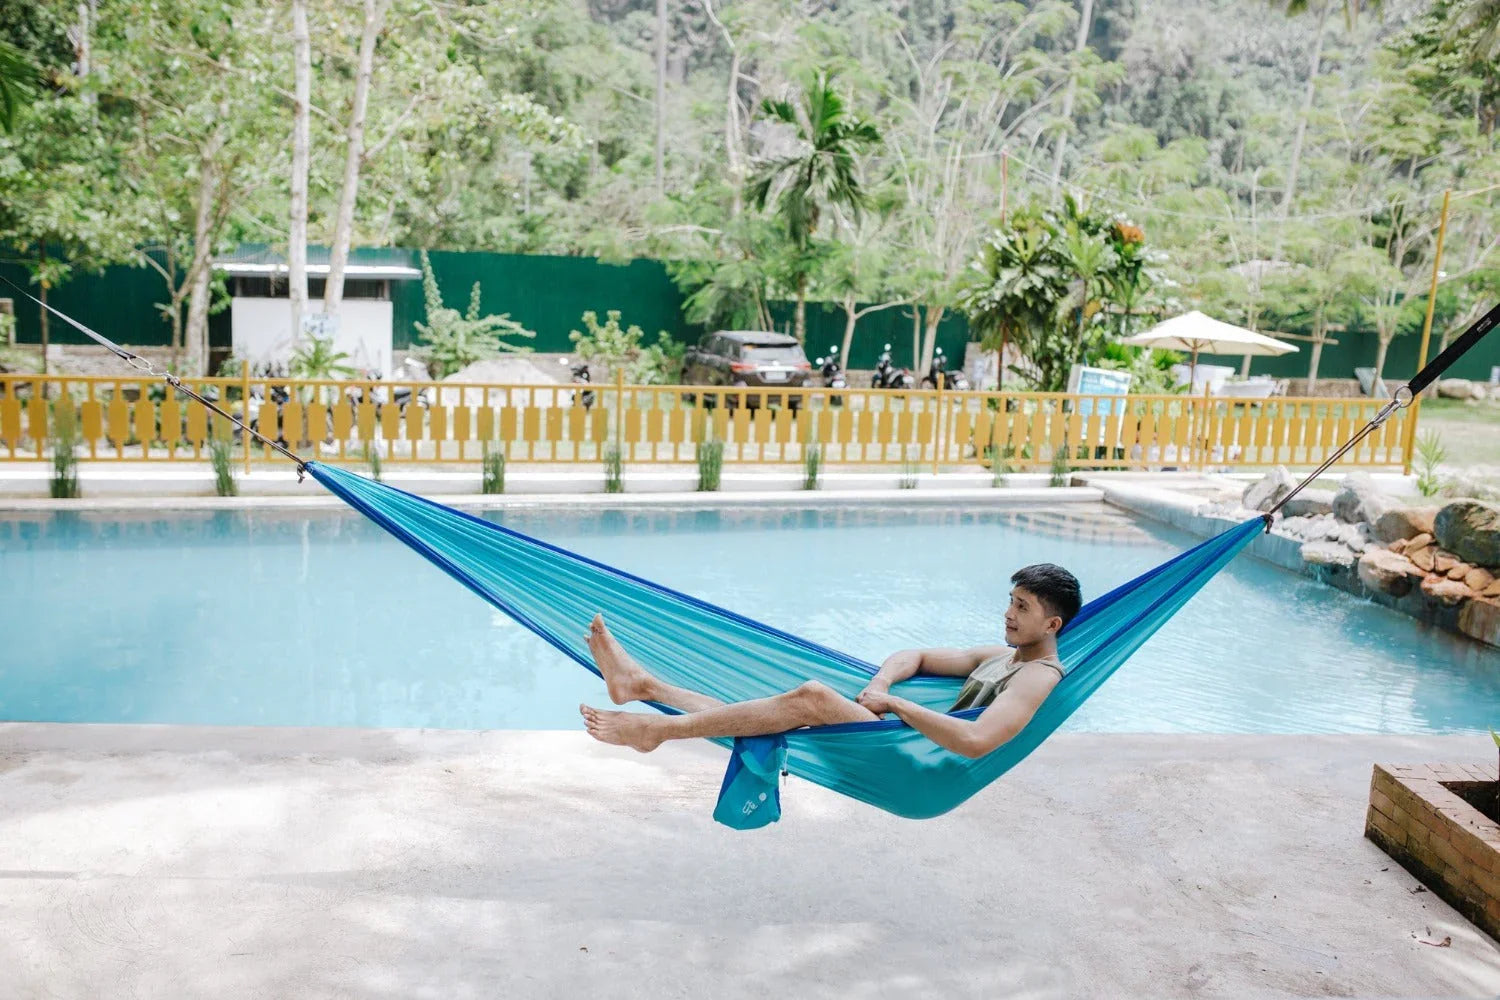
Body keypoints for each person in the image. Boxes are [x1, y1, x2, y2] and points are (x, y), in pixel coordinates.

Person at [578, 564, 1080, 760]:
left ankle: (657, 730)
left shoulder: (1038, 677)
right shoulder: (1003, 656)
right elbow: (918, 655)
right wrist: (881, 682)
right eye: (1011, 601)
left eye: (1022, 608)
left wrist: (895, 705)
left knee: (812, 696)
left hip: (922, 763)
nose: (1008, 614)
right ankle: (644, 687)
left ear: (1052, 626)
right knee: (761, 713)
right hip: (900, 738)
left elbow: (974, 741)